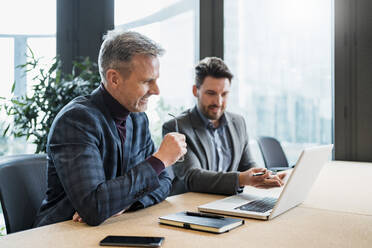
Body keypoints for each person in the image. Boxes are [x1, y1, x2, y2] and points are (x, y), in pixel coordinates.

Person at [34, 30, 187, 227]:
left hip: (114, 227)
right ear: (114, 79)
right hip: (61, 233)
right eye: (147, 81)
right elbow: (94, 207)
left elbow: (164, 183)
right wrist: (159, 160)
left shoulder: (139, 119)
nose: (156, 90)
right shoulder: (76, 120)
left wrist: (125, 203)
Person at [162, 57, 284, 196]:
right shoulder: (177, 127)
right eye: (211, 93)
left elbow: (248, 165)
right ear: (196, 91)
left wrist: (264, 176)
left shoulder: (238, 122)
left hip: (228, 202)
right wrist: (241, 179)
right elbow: (192, 177)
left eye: (224, 94)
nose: (218, 102)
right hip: (192, 208)